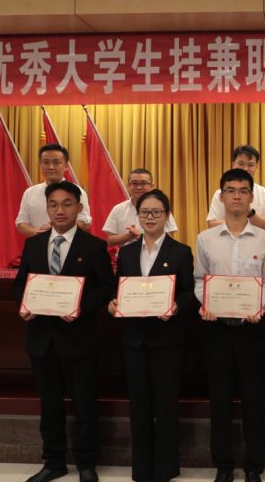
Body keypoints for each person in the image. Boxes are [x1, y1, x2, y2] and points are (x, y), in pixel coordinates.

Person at [13, 181, 114, 482]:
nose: (60, 210)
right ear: (47, 208)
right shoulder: (33, 244)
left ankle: (87, 463)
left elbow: (106, 287)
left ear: (79, 208)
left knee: (84, 404)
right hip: (42, 339)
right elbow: (21, 284)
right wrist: (23, 305)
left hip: (79, 338)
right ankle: (53, 461)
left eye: (67, 204)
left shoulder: (94, 246)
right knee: (50, 405)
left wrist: (79, 307)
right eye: (53, 204)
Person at [194, 168, 265, 482]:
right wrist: (207, 302)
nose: (237, 196)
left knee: (254, 400)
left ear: (252, 197)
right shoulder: (205, 239)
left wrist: (259, 304)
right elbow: (200, 280)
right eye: (230, 190)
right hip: (216, 329)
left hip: (252, 330)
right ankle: (224, 466)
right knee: (219, 401)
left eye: (243, 190)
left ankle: (254, 466)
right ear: (221, 196)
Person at [109, 189, 196, 482]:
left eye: (156, 212)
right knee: (139, 406)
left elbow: (188, 292)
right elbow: (119, 288)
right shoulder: (126, 252)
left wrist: (175, 306)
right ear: (138, 216)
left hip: (167, 340)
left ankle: (165, 469)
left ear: (167, 216)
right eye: (145, 212)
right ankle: (142, 469)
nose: (150, 217)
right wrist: (113, 303)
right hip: (134, 339)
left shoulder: (181, 251)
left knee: (166, 405)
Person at [16, 144, 91, 237]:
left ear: (66, 166)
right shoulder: (30, 193)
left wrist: (55, 232)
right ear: (41, 165)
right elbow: (21, 224)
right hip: (39, 243)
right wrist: (41, 234)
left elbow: (84, 222)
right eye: (46, 162)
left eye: (56, 163)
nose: (51, 167)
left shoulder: (77, 191)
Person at [206, 145, 265, 232]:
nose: (245, 169)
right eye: (241, 164)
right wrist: (239, 222)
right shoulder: (220, 193)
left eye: (250, 165)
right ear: (233, 164)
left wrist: (249, 213)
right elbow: (212, 224)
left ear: (256, 167)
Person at [103, 168, 178, 247]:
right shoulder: (118, 209)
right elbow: (110, 241)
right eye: (134, 183)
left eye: (143, 183)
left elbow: (169, 240)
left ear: (151, 186)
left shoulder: (161, 209)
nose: (139, 187)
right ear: (128, 185)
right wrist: (129, 236)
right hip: (126, 254)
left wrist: (141, 236)